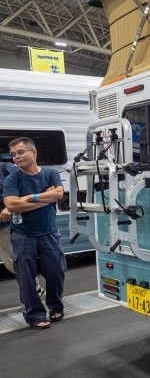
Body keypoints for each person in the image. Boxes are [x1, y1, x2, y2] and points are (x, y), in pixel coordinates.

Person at [3, 137, 66, 329]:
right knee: (26, 278)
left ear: (34, 152)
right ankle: (35, 315)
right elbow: (12, 205)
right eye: (13, 154)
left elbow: (59, 194)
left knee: (56, 272)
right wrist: (46, 199)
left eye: (20, 152)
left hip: (49, 232)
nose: (16, 157)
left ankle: (55, 306)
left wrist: (30, 197)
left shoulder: (51, 173)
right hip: (23, 235)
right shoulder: (12, 179)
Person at [0, 160, 46, 299]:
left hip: (4, 226)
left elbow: (29, 187)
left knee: (14, 263)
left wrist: (10, 207)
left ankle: (35, 293)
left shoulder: (6, 168)